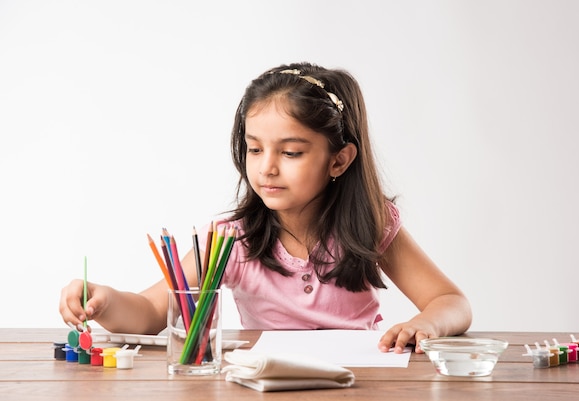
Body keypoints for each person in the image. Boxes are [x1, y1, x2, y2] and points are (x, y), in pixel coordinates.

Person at [59, 62, 472, 353]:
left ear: (339, 160)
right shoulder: (230, 240)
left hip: (357, 382)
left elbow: (451, 302)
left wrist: (426, 323)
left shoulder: (370, 225)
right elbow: (151, 311)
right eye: (254, 149)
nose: (267, 168)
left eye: (290, 152)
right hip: (265, 386)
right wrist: (106, 301)